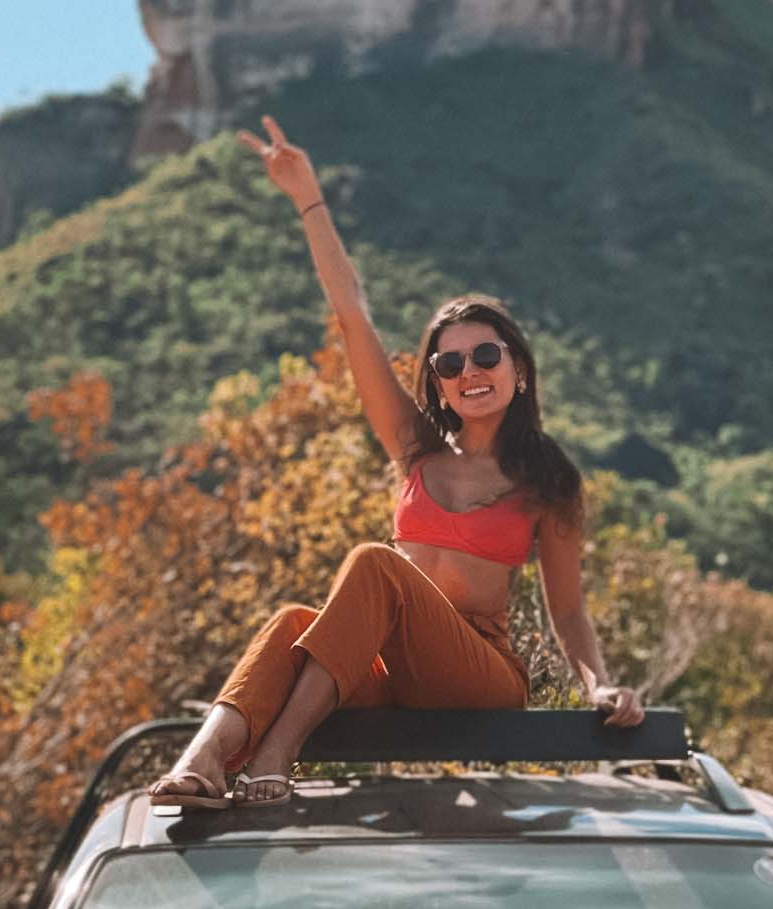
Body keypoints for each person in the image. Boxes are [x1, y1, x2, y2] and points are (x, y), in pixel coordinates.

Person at [148, 116, 646, 808]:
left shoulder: (548, 480)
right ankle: (202, 759)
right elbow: (351, 312)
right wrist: (307, 199)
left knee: (377, 561)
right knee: (296, 618)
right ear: (437, 382)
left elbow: (568, 611)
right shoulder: (414, 449)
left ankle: (275, 755)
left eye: (486, 355)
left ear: (519, 369)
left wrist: (600, 684)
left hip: (480, 672)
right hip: (392, 668)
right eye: (449, 362)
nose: (469, 370)